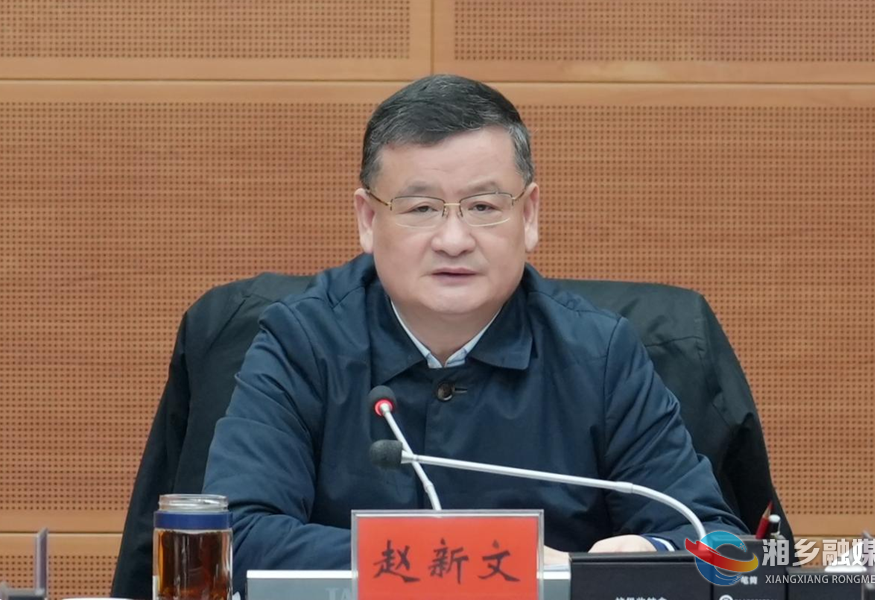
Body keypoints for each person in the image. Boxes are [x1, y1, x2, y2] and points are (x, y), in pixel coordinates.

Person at [202, 74, 747, 590]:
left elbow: (721, 549)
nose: (454, 240)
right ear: (368, 220)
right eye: (421, 208)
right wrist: (493, 564)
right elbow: (233, 538)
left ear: (529, 216)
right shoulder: (304, 341)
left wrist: (640, 558)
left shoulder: (601, 356)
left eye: (483, 206)